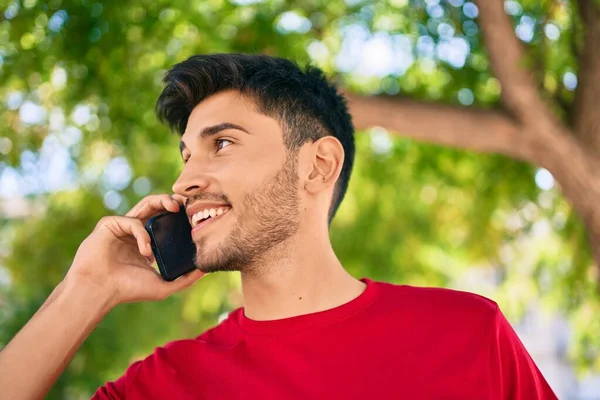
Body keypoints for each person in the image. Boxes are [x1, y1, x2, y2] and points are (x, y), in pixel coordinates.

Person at [0, 54, 557, 399]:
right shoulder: (165, 385)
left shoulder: (469, 335)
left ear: (318, 165)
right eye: (186, 155)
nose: (185, 181)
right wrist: (87, 289)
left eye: (221, 143)